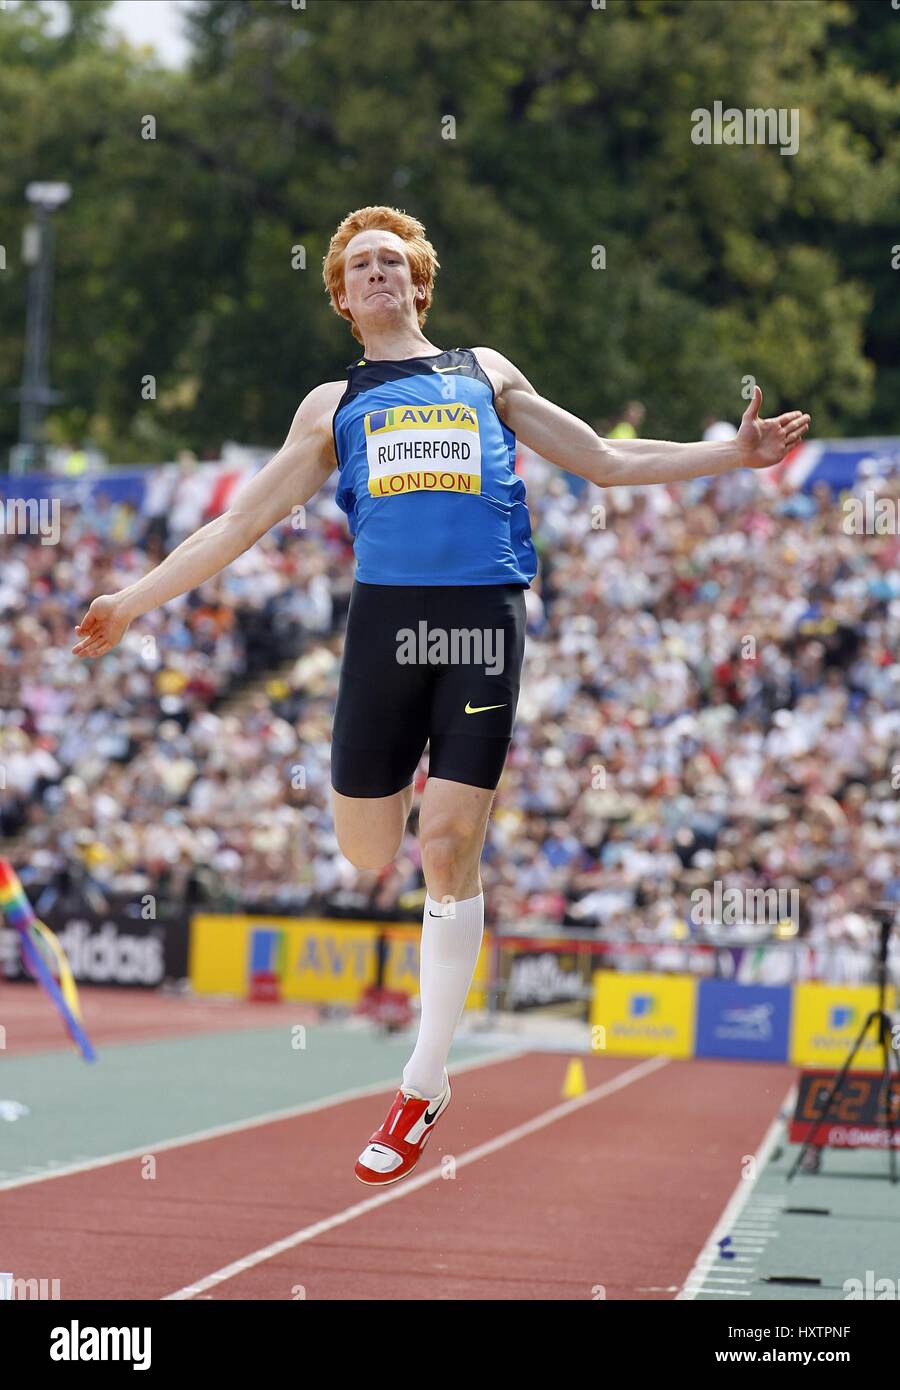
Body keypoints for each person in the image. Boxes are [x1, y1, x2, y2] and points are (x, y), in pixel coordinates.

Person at [72, 204, 811, 1185]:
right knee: (368, 849)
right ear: (341, 295)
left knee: (449, 839)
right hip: (384, 625)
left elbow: (606, 459)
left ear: (419, 283)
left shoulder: (484, 372)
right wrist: (132, 600)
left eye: (393, 261)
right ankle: (418, 908)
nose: (378, 273)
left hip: (482, 617)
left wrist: (734, 454)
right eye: (361, 265)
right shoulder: (330, 404)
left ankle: (425, 1078)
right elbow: (239, 524)